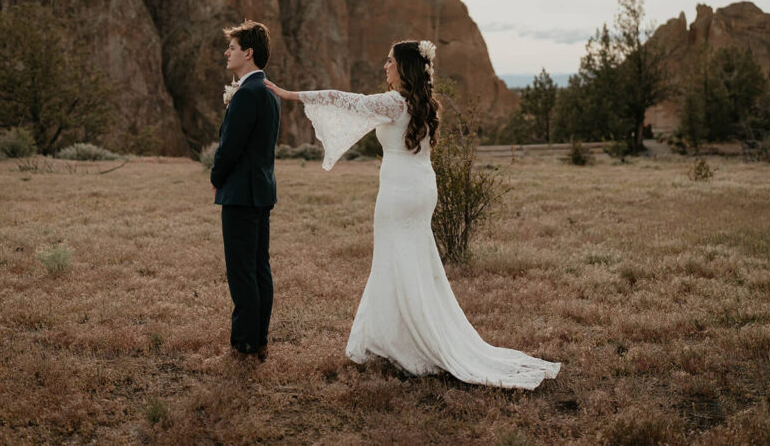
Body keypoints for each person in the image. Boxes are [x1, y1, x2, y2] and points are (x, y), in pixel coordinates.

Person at [265, 40, 560, 389]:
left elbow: (347, 100)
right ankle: (392, 336)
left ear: (404, 68)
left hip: (399, 192)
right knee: (411, 261)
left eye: (389, 61)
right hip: (421, 187)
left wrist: (290, 95)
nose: (385, 66)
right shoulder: (424, 104)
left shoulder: (393, 102)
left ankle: (403, 342)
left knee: (395, 261)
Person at [211, 20, 280, 359]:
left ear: (248, 53)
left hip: (240, 193)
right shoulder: (268, 91)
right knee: (258, 267)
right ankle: (259, 337)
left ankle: (244, 343)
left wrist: (216, 176)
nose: (227, 52)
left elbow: (230, 147)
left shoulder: (247, 93)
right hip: (261, 191)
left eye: (233, 48)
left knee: (241, 271)